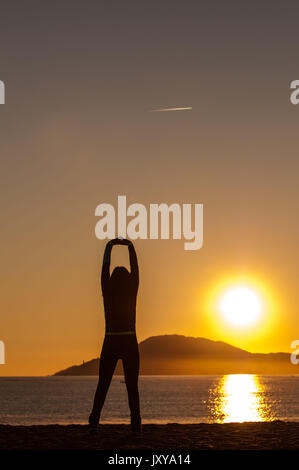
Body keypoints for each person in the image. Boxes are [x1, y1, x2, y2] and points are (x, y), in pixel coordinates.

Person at [89, 238, 141, 434]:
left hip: (111, 340)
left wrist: (110, 245)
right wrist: (130, 246)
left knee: (102, 385)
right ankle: (136, 426)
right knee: (132, 388)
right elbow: (135, 268)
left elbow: (104, 268)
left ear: (112, 279)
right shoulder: (132, 289)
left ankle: (94, 422)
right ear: (128, 279)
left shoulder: (107, 290)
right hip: (129, 340)